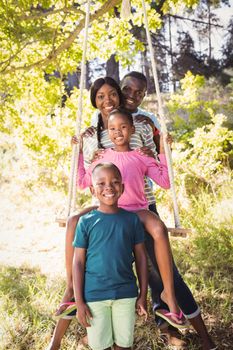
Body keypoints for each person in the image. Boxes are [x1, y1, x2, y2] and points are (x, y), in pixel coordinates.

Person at [48, 75, 216, 350]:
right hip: (108, 204)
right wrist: (78, 151)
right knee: (74, 222)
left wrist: (162, 149)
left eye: (115, 94)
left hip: (138, 206)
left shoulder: (144, 127)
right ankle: (71, 294)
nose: (113, 100)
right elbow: (84, 180)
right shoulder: (95, 138)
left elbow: (163, 178)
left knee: (160, 259)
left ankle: (169, 301)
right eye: (103, 96)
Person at [73, 162, 148, 350]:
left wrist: (143, 294)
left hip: (126, 293)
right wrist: (79, 301)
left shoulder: (131, 220)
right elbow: (78, 262)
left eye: (115, 182)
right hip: (94, 295)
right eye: (101, 183)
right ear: (92, 189)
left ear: (122, 188)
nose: (108, 187)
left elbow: (141, 259)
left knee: (123, 345)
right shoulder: (86, 222)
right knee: (100, 346)